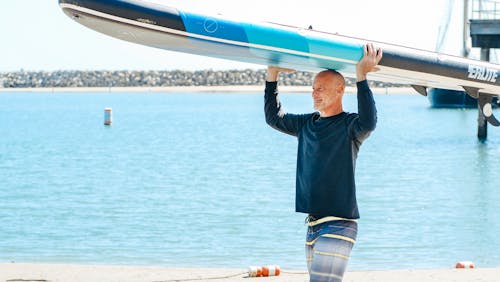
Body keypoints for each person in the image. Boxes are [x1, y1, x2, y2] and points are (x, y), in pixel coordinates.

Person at [264, 43, 382, 282]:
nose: (314, 93)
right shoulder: (306, 124)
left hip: (339, 223)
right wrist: (272, 75)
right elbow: (273, 118)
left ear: (340, 90)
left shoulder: (350, 126)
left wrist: (362, 76)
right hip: (313, 224)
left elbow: (369, 122)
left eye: (321, 88)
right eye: (313, 88)